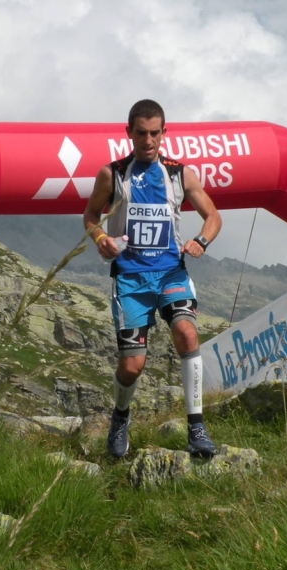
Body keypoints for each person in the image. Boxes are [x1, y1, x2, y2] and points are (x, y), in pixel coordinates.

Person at [83, 99, 223, 458]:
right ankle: (120, 417)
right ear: (129, 133)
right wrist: (101, 240)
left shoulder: (179, 174)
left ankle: (197, 428)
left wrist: (201, 241)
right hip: (129, 278)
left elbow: (213, 216)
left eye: (155, 133)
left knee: (187, 332)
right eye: (141, 133)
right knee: (132, 365)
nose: (148, 140)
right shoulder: (111, 174)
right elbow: (90, 216)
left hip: (170, 272)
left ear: (164, 133)